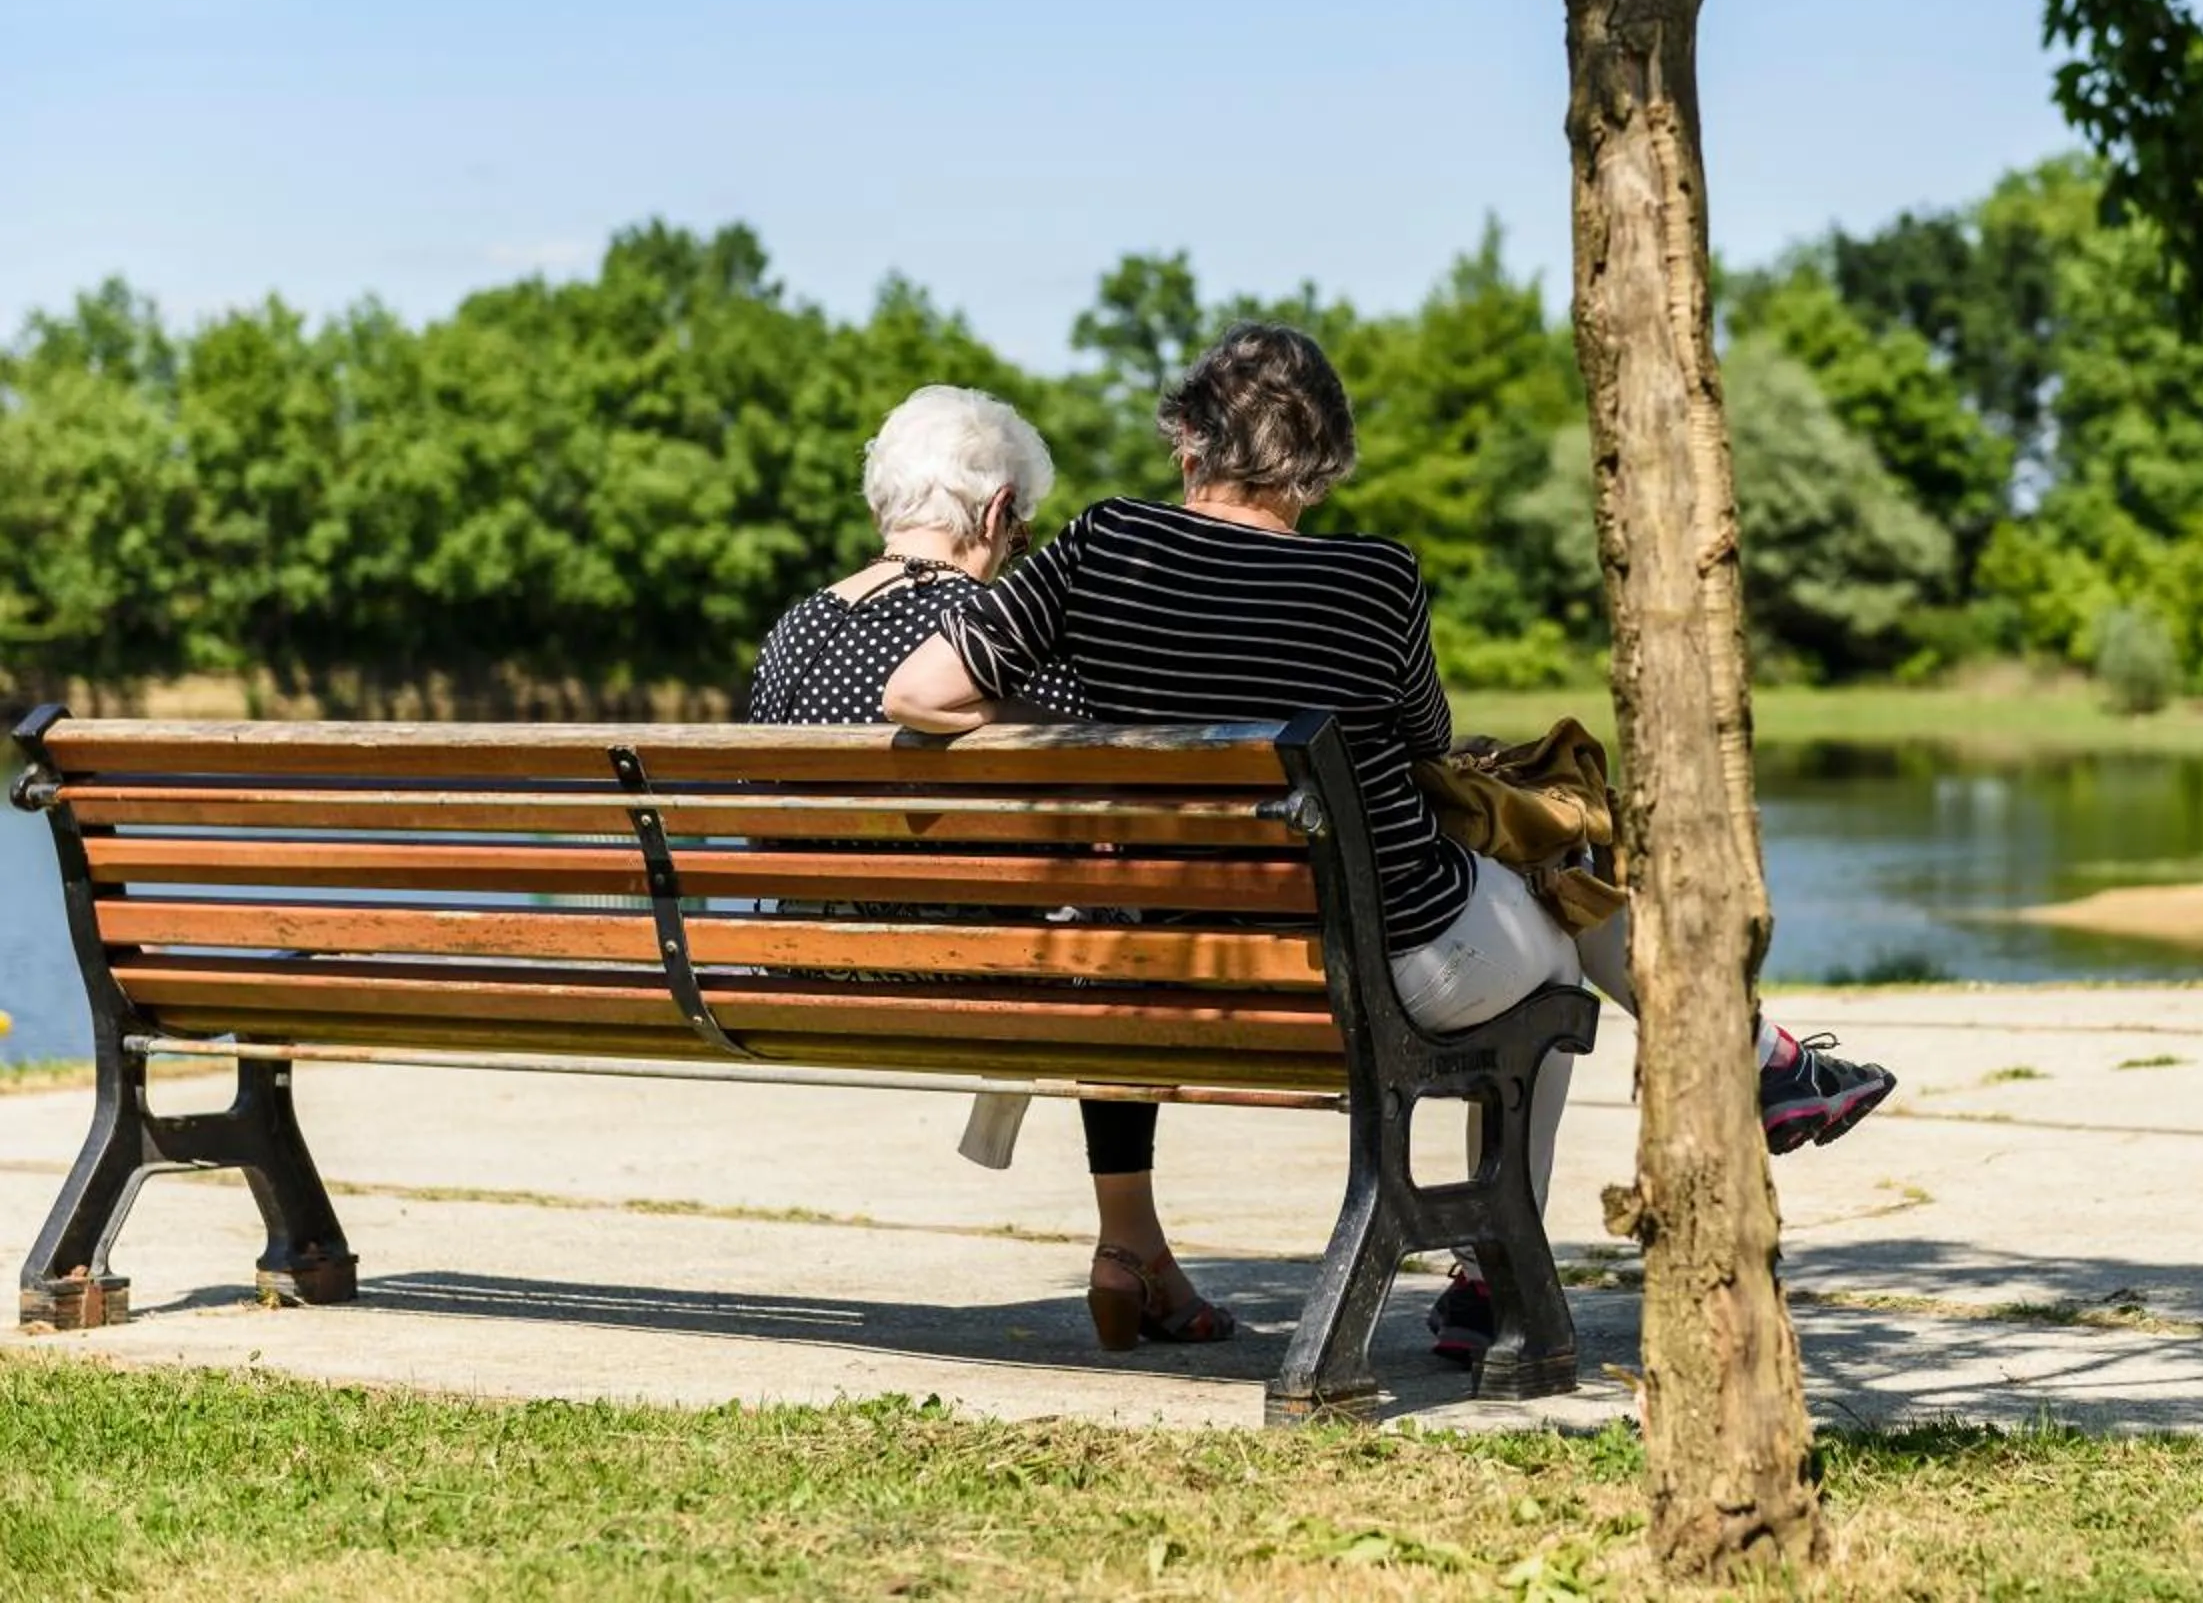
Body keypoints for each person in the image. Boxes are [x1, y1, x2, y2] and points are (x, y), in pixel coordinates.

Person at [883, 323, 1896, 1367]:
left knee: (1553, 904)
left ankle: (1748, 1063)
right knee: (1562, 921)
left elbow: (915, 694)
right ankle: (1525, 1245)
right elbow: (1426, 745)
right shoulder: (1376, 582)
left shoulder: (1102, 548)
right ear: (1319, 469)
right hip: (1379, 971)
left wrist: (1099, 738)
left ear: (1186, 440)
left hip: (1177, 969)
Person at [746, 383, 1232, 1351]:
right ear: (1001, 512)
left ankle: (1145, 1253)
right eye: (1025, 527)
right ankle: (1129, 1242)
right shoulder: (1002, 626)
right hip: (992, 975)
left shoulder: (796, 629)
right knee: (1116, 925)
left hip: (798, 965)